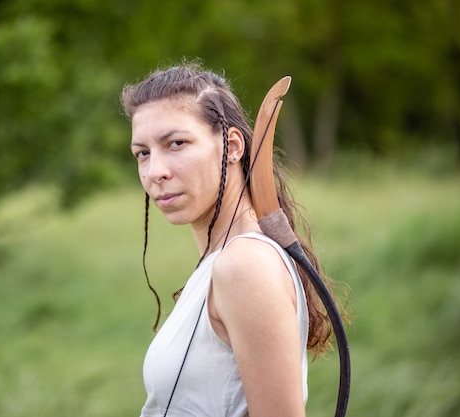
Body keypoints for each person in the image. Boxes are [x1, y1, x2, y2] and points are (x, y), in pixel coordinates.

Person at [121, 60, 338, 417]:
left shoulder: (245, 264)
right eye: (142, 153)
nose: (155, 172)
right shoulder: (224, 260)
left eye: (175, 143)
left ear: (232, 145)